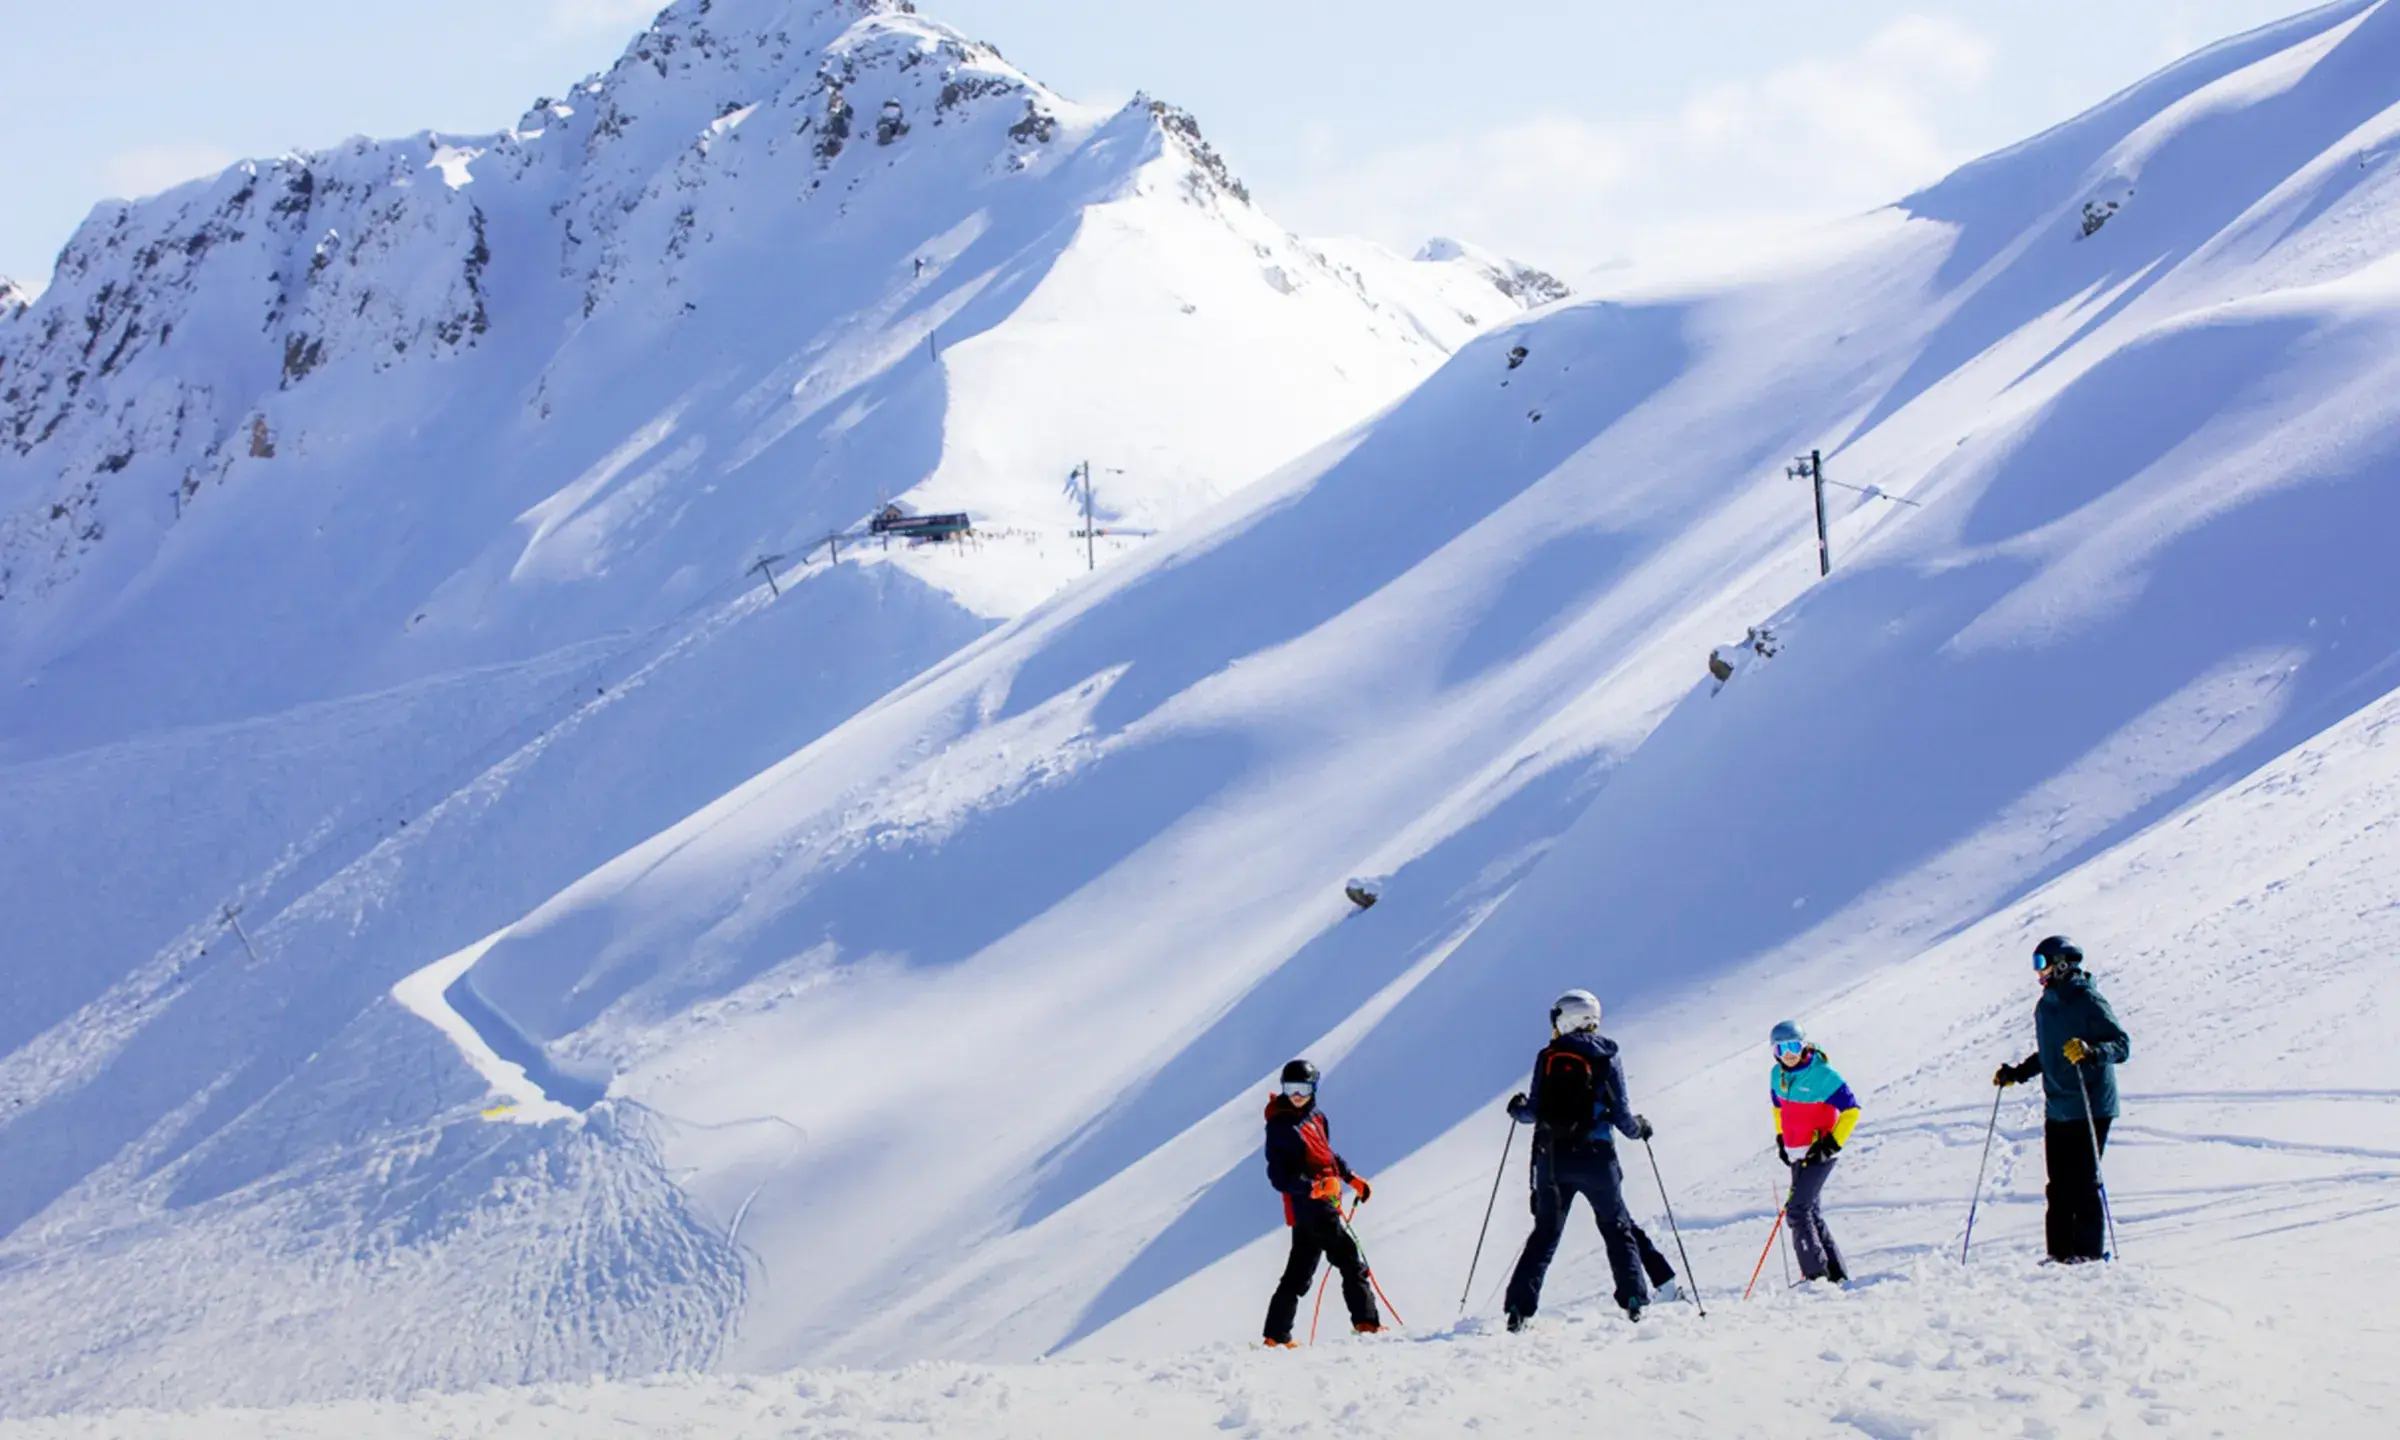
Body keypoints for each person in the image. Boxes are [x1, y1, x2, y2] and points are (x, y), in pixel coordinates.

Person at [1502, 989, 1655, 1329]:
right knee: (1616, 1228)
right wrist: (1640, 1129)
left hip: (1553, 1161)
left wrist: (1517, 1108)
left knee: (1544, 1234)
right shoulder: (1608, 1057)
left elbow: (1534, 1111)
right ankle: (1634, 1301)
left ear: (1565, 1018)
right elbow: (1622, 1116)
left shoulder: (1549, 1056)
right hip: (1597, 1158)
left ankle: (1518, 1310)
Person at [1995, 935, 2130, 1262]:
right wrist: (2017, 1073)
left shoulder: (2088, 1000)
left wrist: (2092, 1052)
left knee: (2082, 1183)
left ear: (2062, 964)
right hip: (2058, 1105)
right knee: (2057, 1187)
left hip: (2091, 1104)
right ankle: (2059, 1255)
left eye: (2042, 963)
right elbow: (2050, 1053)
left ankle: (2089, 1256)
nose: (2038, 972)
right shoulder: (2046, 1005)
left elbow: (2121, 1045)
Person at [1261, 1059, 1380, 1346]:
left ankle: (1275, 1337)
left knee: (1298, 1274)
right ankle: (1367, 1325)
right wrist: (1313, 1187)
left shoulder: (1316, 1117)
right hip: (1312, 1206)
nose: (1297, 1095)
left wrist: (1350, 1177)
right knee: (1351, 1261)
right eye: (1291, 1089)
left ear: (1314, 1089)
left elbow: (1327, 1155)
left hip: (1318, 1207)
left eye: (1303, 1088)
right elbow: (1278, 1175)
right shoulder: (1280, 1125)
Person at [1769, 1019, 1858, 1284]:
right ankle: (1836, 1276)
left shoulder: (1823, 1075)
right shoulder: (1778, 1074)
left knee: (1797, 1211)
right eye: (1781, 1049)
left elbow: (1852, 1110)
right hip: (1796, 1152)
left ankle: (1816, 1276)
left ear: (1804, 1045)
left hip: (1819, 1153)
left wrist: (1830, 1144)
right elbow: (1777, 1106)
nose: (1788, 1055)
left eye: (1794, 1047)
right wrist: (1782, 1138)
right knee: (1809, 1212)